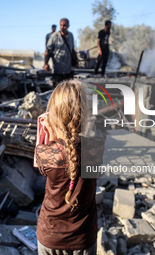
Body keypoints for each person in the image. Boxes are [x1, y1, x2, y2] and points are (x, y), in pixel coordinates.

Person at [35, 80, 105, 254]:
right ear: (85, 112)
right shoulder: (96, 146)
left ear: (55, 114)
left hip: (50, 236)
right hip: (83, 238)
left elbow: (39, 164)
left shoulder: (45, 154)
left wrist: (46, 131)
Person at [44, 18, 78, 88]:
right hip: (58, 70)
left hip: (68, 70)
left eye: (64, 25)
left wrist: (76, 60)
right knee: (58, 91)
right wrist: (46, 64)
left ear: (68, 26)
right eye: (61, 25)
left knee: (69, 90)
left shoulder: (71, 35)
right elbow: (47, 51)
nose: (62, 27)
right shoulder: (54, 36)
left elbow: (72, 49)